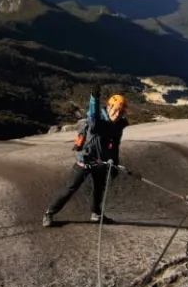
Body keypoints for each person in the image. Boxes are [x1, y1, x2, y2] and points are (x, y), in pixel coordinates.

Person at [42, 85, 129, 227]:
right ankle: (49, 213)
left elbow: (115, 146)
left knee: (99, 190)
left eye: (121, 111)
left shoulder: (118, 126)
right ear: (108, 107)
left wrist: (114, 165)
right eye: (115, 109)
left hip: (102, 163)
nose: (118, 114)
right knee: (70, 188)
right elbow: (92, 115)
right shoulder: (97, 121)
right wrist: (94, 98)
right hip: (86, 160)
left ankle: (96, 214)